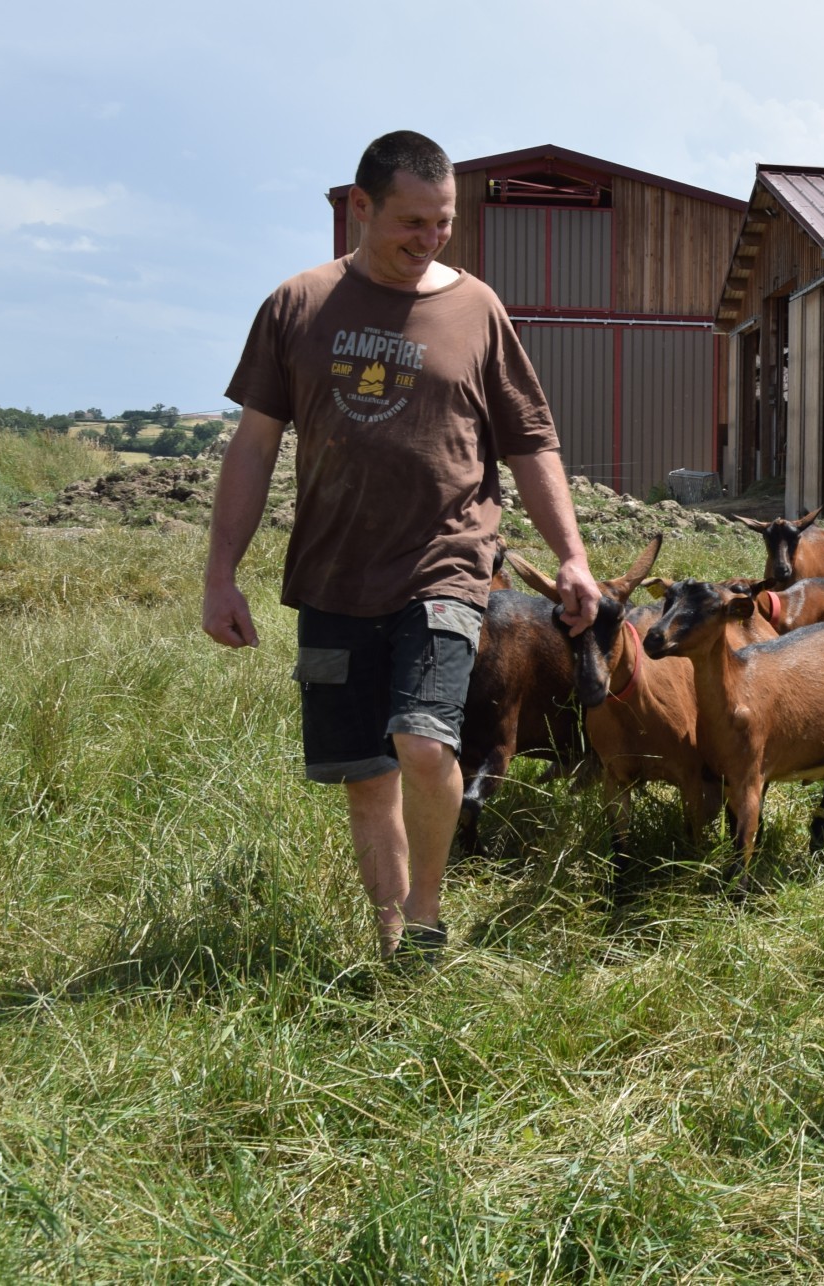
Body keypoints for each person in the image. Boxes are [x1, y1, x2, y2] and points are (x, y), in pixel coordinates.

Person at [201, 130, 601, 962]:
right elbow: (253, 446)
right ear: (360, 207)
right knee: (364, 774)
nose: (429, 240)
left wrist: (571, 554)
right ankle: (388, 934)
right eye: (411, 222)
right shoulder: (297, 306)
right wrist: (221, 574)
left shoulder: (477, 309)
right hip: (334, 575)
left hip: (449, 565)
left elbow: (531, 443)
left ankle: (426, 916)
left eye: (443, 222)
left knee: (424, 743)